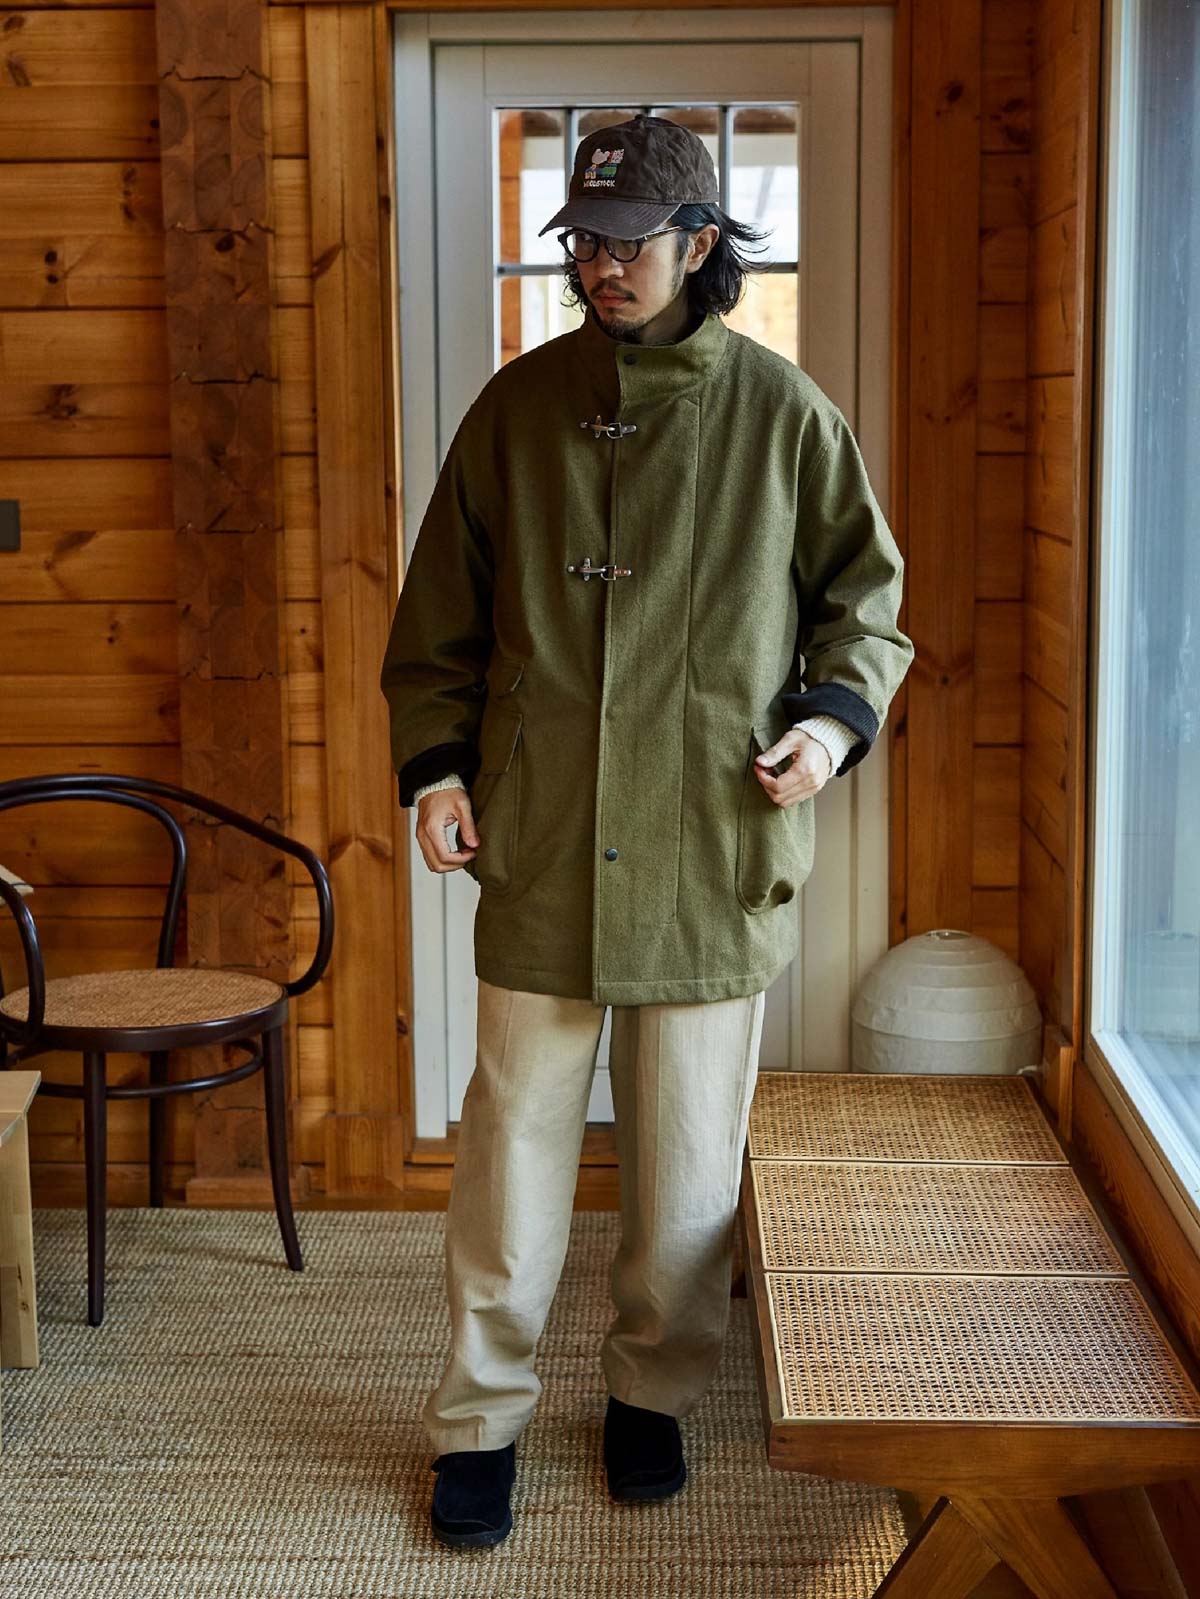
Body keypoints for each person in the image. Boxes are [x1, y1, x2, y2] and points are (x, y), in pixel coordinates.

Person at [380, 111, 914, 1549]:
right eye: (587, 245)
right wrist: (437, 772)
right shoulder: (516, 409)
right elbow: (436, 623)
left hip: (710, 842)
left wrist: (825, 728)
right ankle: (480, 1419)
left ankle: (652, 1395)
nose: (603, 269)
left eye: (630, 245)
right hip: (544, 833)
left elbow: (867, 611)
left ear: (699, 243)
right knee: (511, 1154)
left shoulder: (785, 415)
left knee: (686, 1162)